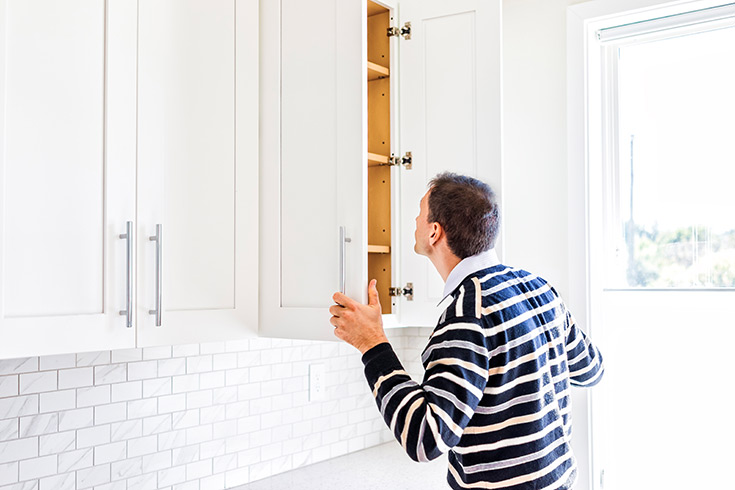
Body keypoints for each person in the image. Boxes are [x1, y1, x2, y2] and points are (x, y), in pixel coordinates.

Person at [329, 172, 604, 489]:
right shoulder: (537, 288)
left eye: (419, 213)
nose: (414, 220)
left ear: (434, 232)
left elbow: (424, 438)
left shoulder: (466, 315)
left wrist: (372, 343)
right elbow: (591, 369)